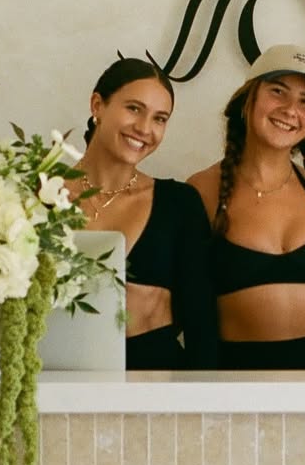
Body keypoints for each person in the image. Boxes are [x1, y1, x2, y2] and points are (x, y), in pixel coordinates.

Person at [187, 44, 305, 369]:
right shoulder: (201, 190)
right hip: (241, 382)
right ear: (248, 98)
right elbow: (193, 309)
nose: (290, 109)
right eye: (278, 91)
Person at [71, 56, 217, 369]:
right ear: (97, 105)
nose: (144, 128)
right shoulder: (34, 196)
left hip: (155, 381)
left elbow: (201, 323)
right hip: (55, 379)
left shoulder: (180, 204)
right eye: (134, 108)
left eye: (160, 118)